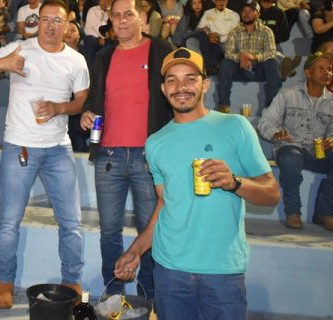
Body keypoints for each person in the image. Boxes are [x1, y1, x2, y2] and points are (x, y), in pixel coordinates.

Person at [114, 47, 280, 320]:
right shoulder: (155, 143)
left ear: (205, 84)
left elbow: (272, 194)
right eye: (172, 80)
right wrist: (136, 250)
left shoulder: (235, 126)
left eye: (190, 79)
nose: (181, 87)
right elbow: (164, 205)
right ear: (163, 89)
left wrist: (234, 182)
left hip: (222, 270)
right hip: (169, 270)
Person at [0, 0, 89, 309]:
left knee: (72, 221)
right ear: (37, 22)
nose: (50, 25)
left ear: (67, 25)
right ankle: (5, 281)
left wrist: (59, 108)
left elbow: (81, 100)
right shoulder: (19, 48)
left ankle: (72, 279)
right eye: (45, 19)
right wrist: (2, 64)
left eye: (57, 20)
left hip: (58, 148)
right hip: (20, 145)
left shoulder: (76, 60)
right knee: (8, 220)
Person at [79, 0, 174, 299]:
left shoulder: (161, 51)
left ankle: (148, 296)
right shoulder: (103, 57)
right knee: (109, 231)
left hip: (149, 158)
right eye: (116, 15)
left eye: (128, 14)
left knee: (150, 230)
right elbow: (95, 99)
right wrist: (87, 113)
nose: (121, 20)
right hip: (109, 157)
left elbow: (175, 98)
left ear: (142, 18)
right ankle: (113, 293)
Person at [258, 51, 333, 231]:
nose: (327, 73)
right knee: (290, 156)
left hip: (318, 153)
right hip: (291, 148)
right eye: (321, 68)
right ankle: (293, 212)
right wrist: (276, 133)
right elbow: (265, 122)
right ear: (308, 72)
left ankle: (324, 212)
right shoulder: (287, 94)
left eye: (330, 69)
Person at [217, 0, 281, 112]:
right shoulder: (234, 31)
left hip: (259, 69)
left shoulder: (266, 31)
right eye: (244, 10)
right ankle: (224, 106)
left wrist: (254, 58)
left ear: (258, 14)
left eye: (251, 10)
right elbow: (228, 53)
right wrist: (241, 57)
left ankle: (271, 108)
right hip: (240, 69)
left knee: (272, 63)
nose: (246, 13)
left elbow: (271, 52)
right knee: (225, 64)